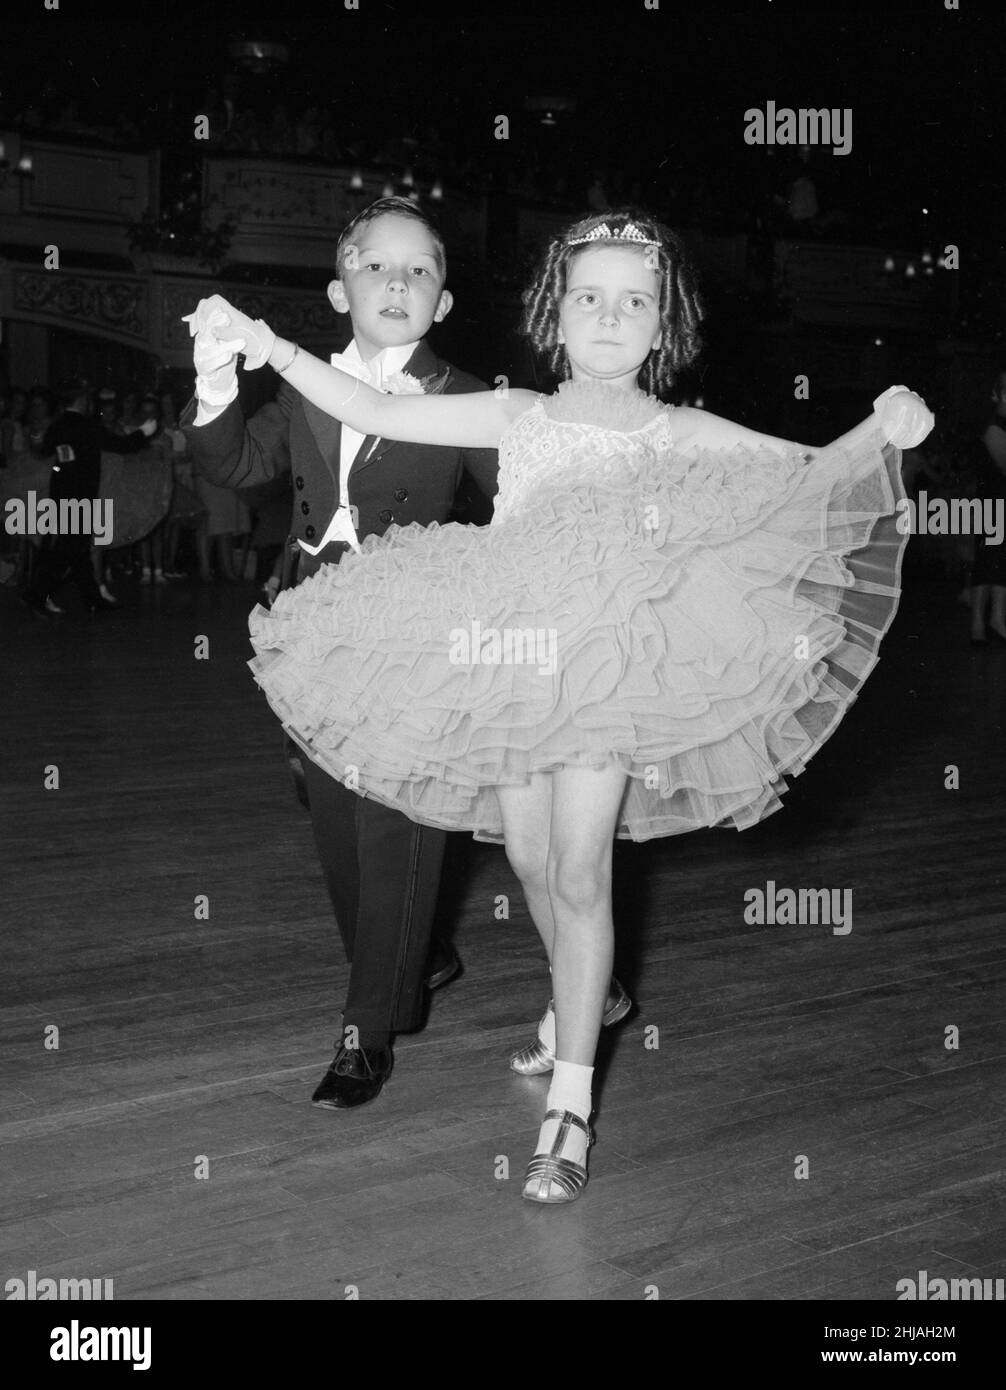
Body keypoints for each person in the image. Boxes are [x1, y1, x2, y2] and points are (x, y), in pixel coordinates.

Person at [190, 208, 933, 1204]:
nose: (610, 314)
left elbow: (809, 475)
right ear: (557, 312)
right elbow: (375, 413)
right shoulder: (518, 415)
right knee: (533, 858)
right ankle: (592, 997)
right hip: (507, 658)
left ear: (662, 322)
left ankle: (570, 1108)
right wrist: (266, 343)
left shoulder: (681, 433)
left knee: (579, 870)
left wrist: (885, 422)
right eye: (590, 295)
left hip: (608, 672)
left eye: (635, 300)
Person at [182, 196, 500, 1110]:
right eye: (374, 265)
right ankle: (418, 954)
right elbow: (237, 468)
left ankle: (366, 1030)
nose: (395, 282)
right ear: (338, 288)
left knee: (394, 822)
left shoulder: (467, 397)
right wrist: (213, 382)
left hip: (412, 647)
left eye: (419, 270)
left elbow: (515, 505)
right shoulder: (304, 384)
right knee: (338, 833)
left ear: (442, 301)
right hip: (311, 638)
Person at [21, 378, 156, 617]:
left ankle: (92, 599)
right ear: (82, 400)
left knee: (78, 550)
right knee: (70, 549)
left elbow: (44, 451)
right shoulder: (86, 425)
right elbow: (120, 445)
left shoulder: (59, 425)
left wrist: (36, 438)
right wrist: (143, 433)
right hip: (81, 495)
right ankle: (37, 594)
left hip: (62, 494)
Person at [968, 371, 1006, 644]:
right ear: (998, 395)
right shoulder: (994, 427)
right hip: (992, 504)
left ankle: (996, 620)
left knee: (999, 564)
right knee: (987, 565)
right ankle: (978, 624)